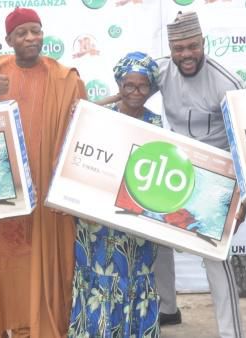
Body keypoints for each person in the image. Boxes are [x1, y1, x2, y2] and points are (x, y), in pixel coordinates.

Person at [0, 7, 85, 338]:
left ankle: (45, 326)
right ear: (9, 39)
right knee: (7, 258)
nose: (31, 38)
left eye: (36, 31)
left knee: (49, 259)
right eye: (22, 33)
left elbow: (81, 131)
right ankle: (5, 324)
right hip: (4, 190)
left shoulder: (65, 78)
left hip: (49, 189)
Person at [154, 11, 245, 338]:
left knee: (215, 258)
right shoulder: (161, 71)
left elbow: (244, 143)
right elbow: (133, 90)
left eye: (192, 46)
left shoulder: (226, 82)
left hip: (214, 180)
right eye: (179, 48)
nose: (186, 55)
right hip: (173, 172)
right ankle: (167, 307)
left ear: (203, 43)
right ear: (170, 48)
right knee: (156, 238)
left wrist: (243, 193)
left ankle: (231, 332)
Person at [67, 51, 163, 338]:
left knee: (134, 277)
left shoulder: (157, 125)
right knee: (97, 278)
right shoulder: (97, 116)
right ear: (119, 85)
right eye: (128, 85)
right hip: (96, 221)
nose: (135, 92)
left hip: (136, 221)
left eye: (142, 86)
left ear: (151, 89)